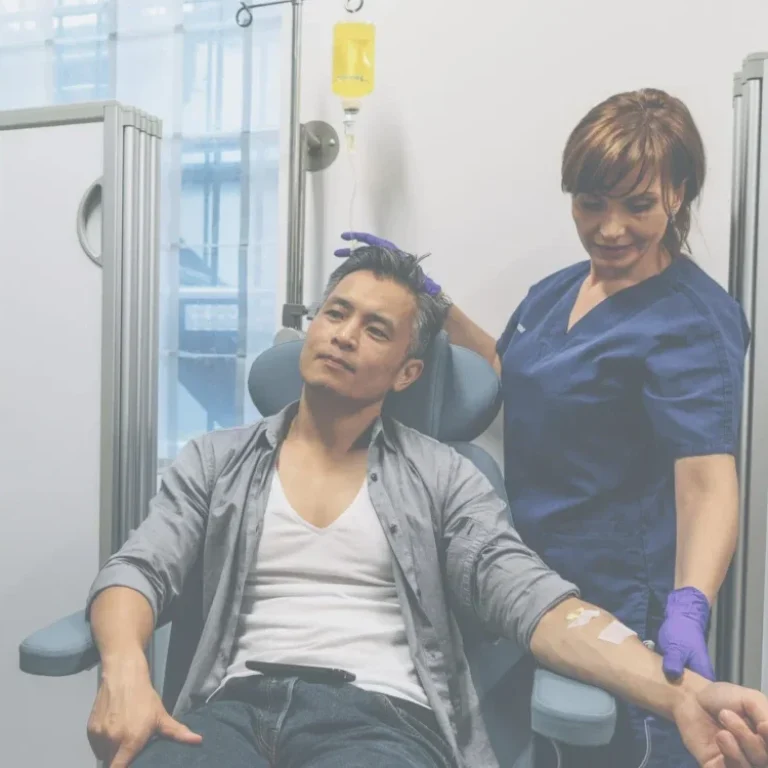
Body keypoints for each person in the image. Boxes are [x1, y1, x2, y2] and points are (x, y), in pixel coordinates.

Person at [85, 245, 768, 768]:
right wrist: (124, 672)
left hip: (378, 720)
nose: (345, 335)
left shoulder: (443, 478)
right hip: (227, 712)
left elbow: (535, 602)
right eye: (336, 313)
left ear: (409, 372)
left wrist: (680, 693)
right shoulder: (216, 460)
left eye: (376, 329)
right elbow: (137, 571)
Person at [335, 88, 751, 767]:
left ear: (677, 193)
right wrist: (431, 303)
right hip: (530, 587)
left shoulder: (691, 321)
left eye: (637, 205)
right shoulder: (561, 289)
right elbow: (516, 369)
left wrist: (689, 604)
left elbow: (707, 483)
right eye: (591, 204)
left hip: (624, 604)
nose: (610, 229)